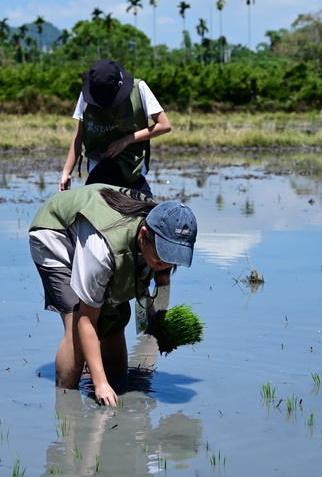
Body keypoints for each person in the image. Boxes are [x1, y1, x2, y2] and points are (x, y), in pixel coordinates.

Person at [29, 184, 198, 406]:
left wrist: (155, 326)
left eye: (172, 257)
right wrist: (99, 384)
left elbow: (140, 287)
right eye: (160, 255)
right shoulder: (101, 250)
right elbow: (86, 321)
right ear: (145, 234)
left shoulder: (165, 226)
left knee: (116, 318)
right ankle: (67, 406)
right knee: (75, 319)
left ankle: (118, 385)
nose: (164, 263)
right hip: (56, 233)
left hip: (106, 234)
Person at [59, 59, 172, 197]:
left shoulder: (139, 88)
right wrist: (66, 172)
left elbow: (164, 125)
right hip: (98, 164)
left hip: (132, 164)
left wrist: (126, 140)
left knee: (144, 208)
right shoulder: (88, 93)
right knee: (92, 210)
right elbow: (80, 135)